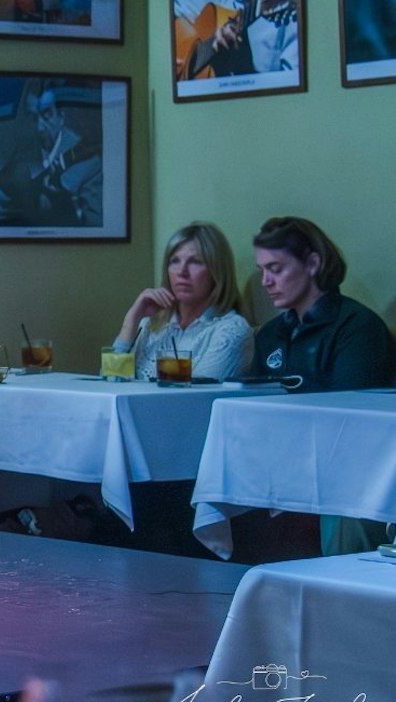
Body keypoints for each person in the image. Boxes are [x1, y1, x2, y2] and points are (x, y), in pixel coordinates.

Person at [250, 216, 395, 554]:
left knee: (345, 509)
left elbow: (352, 419)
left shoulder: (357, 327)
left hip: (344, 467)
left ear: (313, 263)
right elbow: (255, 404)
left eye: (276, 269)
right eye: (262, 271)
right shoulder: (272, 334)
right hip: (278, 458)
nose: (266, 282)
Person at [110, 221, 251, 380]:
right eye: (175, 261)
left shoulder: (231, 329)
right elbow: (109, 385)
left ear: (216, 271)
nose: (182, 272)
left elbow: (193, 397)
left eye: (195, 262)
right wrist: (131, 320)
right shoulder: (150, 325)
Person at [0, 79, 102, 227]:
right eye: (33, 117)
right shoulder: (25, 144)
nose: (38, 127)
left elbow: (96, 225)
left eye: (46, 115)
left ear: (61, 117)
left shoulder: (91, 162)